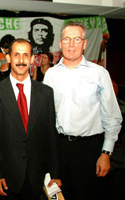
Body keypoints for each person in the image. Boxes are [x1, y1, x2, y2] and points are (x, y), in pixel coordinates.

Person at [43, 21, 123, 200]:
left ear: (85, 43)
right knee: (58, 197)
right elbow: (45, 117)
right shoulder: (51, 75)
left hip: (89, 151)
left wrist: (106, 153)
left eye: (77, 39)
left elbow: (112, 116)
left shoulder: (99, 74)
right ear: (61, 43)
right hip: (59, 148)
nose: (71, 44)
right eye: (67, 39)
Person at [0, 38, 61, 200]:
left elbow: (51, 134)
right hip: (6, 177)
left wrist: (55, 172)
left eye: (26, 55)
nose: (21, 60)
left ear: (32, 59)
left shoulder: (46, 93)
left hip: (37, 175)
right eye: (16, 55)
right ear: (8, 58)